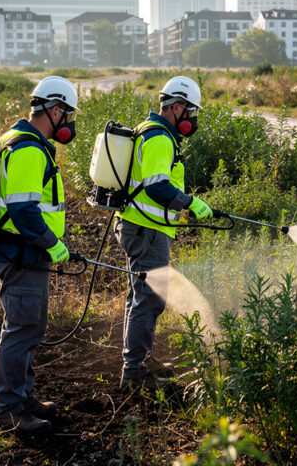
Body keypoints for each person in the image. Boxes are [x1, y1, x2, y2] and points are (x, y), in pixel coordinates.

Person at [0, 75, 79, 435]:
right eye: (67, 115)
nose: (68, 124)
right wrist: (51, 243)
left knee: (29, 327)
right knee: (22, 329)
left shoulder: (19, 139)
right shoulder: (27, 148)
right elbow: (23, 210)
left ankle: (23, 397)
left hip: (24, 253)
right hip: (22, 253)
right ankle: (8, 410)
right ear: (54, 110)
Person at [114, 75, 212, 389]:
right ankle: (135, 375)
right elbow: (157, 185)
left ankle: (139, 360)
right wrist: (190, 202)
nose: (192, 119)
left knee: (140, 296)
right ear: (176, 107)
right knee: (151, 299)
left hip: (141, 226)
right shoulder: (159, 137)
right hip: (146, 229)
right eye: (190, 111)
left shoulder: (153, 131)